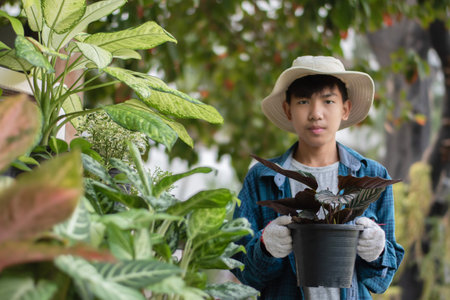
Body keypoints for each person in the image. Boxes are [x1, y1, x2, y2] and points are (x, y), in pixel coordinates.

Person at [231, 56, 404, 299]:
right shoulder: (261, 178)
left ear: (345, 109)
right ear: (288, 109)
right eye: (303, 101)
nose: (315, 114)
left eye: (328, 101)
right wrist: (265, 247)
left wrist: (377, 250)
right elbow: (243, 271)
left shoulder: (372, 175)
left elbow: (380, 281)